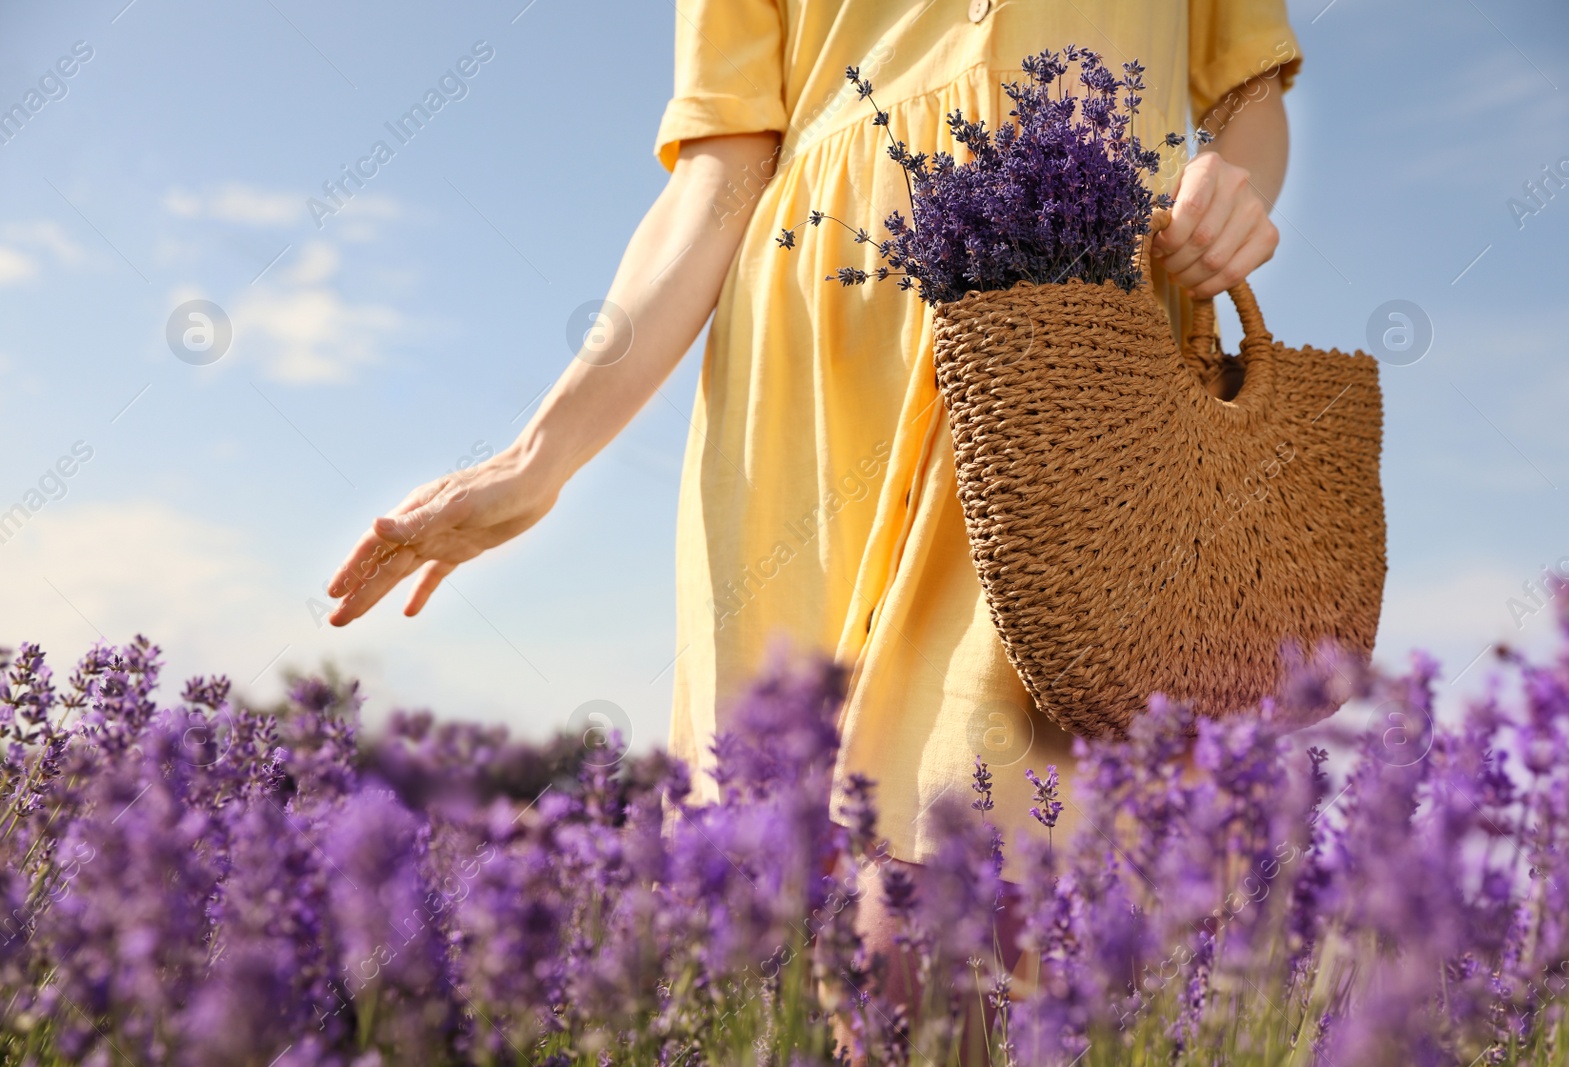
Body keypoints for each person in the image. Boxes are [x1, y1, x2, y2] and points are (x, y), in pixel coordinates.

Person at [326, 0, 1297, 977]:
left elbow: (1249, 84)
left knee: (974, 910)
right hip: (807, 395)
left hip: (1077, 373)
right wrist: (540, 454)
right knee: (785, 921)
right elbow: (721, 169)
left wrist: (1235, 182)